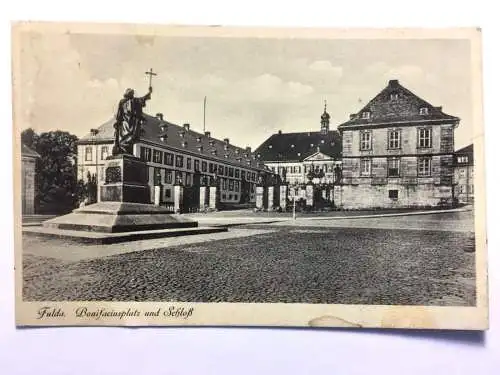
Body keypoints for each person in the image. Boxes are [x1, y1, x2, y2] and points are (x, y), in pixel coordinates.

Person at [113, 86, 152, 155]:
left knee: (130, 137)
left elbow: (143, 99)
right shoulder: (122, 101)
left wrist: (149, 92)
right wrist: (118, 122)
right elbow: (119, 112)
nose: (132, 95)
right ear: (128, 94)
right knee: (124, 137)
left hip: (132, 123)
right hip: (125, 122)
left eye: (133, 93)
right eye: (131, 93)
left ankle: (127, 151)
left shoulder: (135, 100)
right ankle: (123, 150)